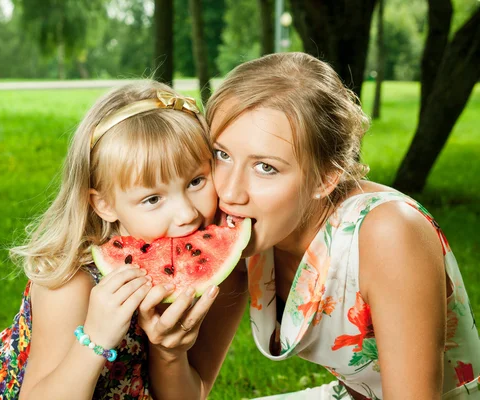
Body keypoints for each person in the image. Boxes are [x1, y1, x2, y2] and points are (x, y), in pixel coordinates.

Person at [0, 81, 247, 400]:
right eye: (152, 199)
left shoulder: (226, 272)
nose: (186, 214)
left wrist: (169, 353)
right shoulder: (72, 282)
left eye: (196, 181)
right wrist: (96, 338)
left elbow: (193, 395)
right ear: (104, 204)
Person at [205, 52, 480, 399]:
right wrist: (169, 351)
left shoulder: (391, 232)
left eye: (266, 168)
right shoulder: (245, 229)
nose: (229, 191)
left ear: (325, 179)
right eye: (221, 154)